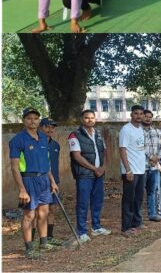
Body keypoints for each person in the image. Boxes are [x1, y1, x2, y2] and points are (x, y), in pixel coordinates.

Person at [9, 107, 60, 259]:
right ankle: (29, 248)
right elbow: (14, 167)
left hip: (44, 179)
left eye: (35, 118)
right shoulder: (18, 140)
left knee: (43, 212)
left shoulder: (43, 138)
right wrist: (22, 189)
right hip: (29, 180)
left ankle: (44, 243)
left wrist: (52, 181)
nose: (33, 121)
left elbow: (47, 163)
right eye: (29, 118)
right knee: (29, 215)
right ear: (23, 120)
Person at [67, 109, 111, 243]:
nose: (90, 120)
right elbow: (77, 156)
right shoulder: (75, 135)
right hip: (84, 174)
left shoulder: (98, 134)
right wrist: (94, 169)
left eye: (92, 118)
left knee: (97, 201)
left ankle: (96, 227)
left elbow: (104, 151)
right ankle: (81, 231)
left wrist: (103, 167)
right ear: (82, 119)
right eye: (87, 118)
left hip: (99, 174)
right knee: (83, 203)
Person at [119, 105, 146, 237]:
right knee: (128, 200)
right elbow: (122, 149)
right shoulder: (126, 129)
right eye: (136, 113)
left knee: (139, 198)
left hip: (141, 170)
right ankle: (126, 227)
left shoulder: (140, 129)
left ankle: (136, 223)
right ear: (131, 115)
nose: (139, 116)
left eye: (141, 114)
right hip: (130, 171)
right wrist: (128, 170)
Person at [38, 118, 63, 247]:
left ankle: (50, 236)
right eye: (47, 126)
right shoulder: (37, 143)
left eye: (53, 127)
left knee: (52, 209)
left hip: (54, 182)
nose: (50, 129)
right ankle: (37, 239)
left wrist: (56, 181)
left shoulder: (55, 145)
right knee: (39, 211)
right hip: (39, 181)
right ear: (40, 127)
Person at [142, 109, 161, 222]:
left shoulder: (156, 132)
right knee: (140, 192)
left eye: (150, 117)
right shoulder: (138, 132)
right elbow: (139, 147)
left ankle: (153, 213)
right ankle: (138, 217)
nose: (148, 119)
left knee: (153, 190)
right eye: (146, 116)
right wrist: (151, 157)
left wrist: (157, 158)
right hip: (142, 167)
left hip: (154, 166)